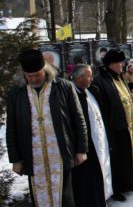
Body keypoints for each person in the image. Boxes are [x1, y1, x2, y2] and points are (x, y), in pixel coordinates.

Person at [6, 49, 88, 207]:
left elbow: (79, 119)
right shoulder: (16, 94)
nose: (33, 79)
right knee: (39, 197)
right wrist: (15, 159)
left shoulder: (64, 87)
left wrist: (81, 149)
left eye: (37, 74)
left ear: (45, 69)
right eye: (29, 76)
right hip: (33, 157)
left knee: (65, 198)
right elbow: (12, 128)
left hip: (61, 154)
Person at [92, 49, 133, 202]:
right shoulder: (100, 81)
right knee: (117, 160)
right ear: (110, 64)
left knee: (127, 156)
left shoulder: (118, 76)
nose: (122, 65)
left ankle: (129, 182)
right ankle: (117, 189)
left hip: (127, 123)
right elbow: (103, 107)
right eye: (119, 62)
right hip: (114, 126)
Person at [71, 64, 113, 206]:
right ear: (79, 77)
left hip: (98, 140)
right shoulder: (72, 94)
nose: (91, 78)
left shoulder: (90, 91)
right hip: (85, 146)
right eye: (89, 75)